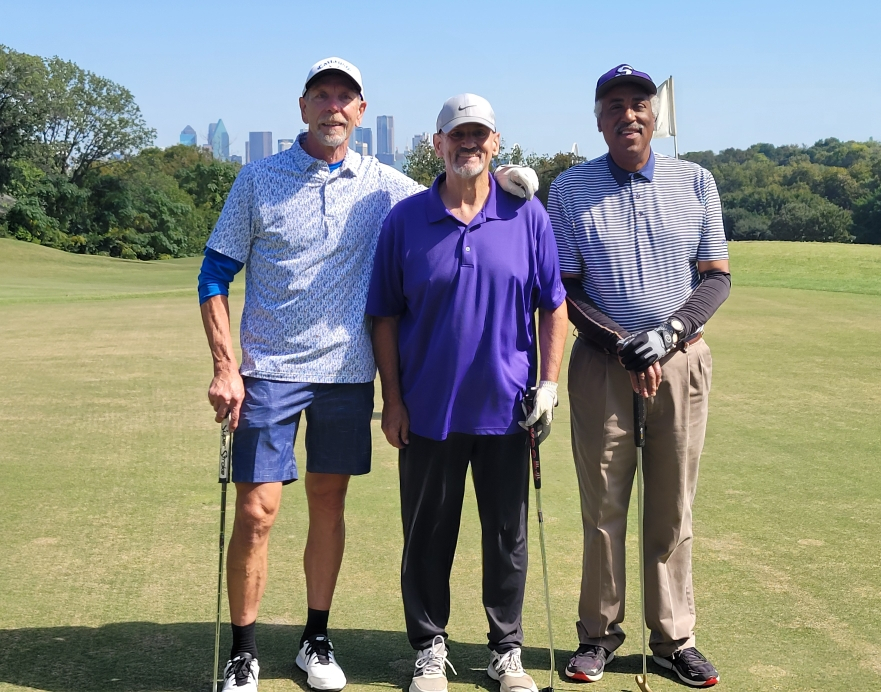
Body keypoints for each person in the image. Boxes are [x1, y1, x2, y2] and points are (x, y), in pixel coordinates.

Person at [199, 60, 538, 692]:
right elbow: (214, 274)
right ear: (303, 107)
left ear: (360, 111)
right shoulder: (257, 180)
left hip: (348, 374)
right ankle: (244, 651)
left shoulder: (387, 186)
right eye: (321, 96)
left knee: (329, 504)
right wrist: (225, 366)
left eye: (345, 98)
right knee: (258, 510)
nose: (333, 107)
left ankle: (314, 640)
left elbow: (458, 195)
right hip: (268, 370)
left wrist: (512, 180)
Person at [366, 93, 568, 692]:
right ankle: (430, 646)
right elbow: (384, 317)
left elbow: (553, 305)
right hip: (428, 411)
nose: (469, 144)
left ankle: (506, 650)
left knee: (507, 537)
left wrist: (550, 384)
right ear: (438, 144)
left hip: (508, 411)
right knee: (428, 535)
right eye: (457, 135)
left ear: (496, 144)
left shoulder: (525, 213)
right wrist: (394, 400)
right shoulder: (404, 220)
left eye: (480, 135)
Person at [546, 65, 731, 688]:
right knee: (603, 506)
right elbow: (565, 290)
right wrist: (626, 345)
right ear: (598, 119)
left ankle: (673, 638)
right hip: (603, 364)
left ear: (655, 114)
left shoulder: (697, 179)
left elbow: (714, 277)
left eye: (639, 104)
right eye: (614, 105)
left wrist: (667, 336)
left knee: (673, 505)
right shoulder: (568, 189)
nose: (628, 115)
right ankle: (597, 635)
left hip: (681, 361)